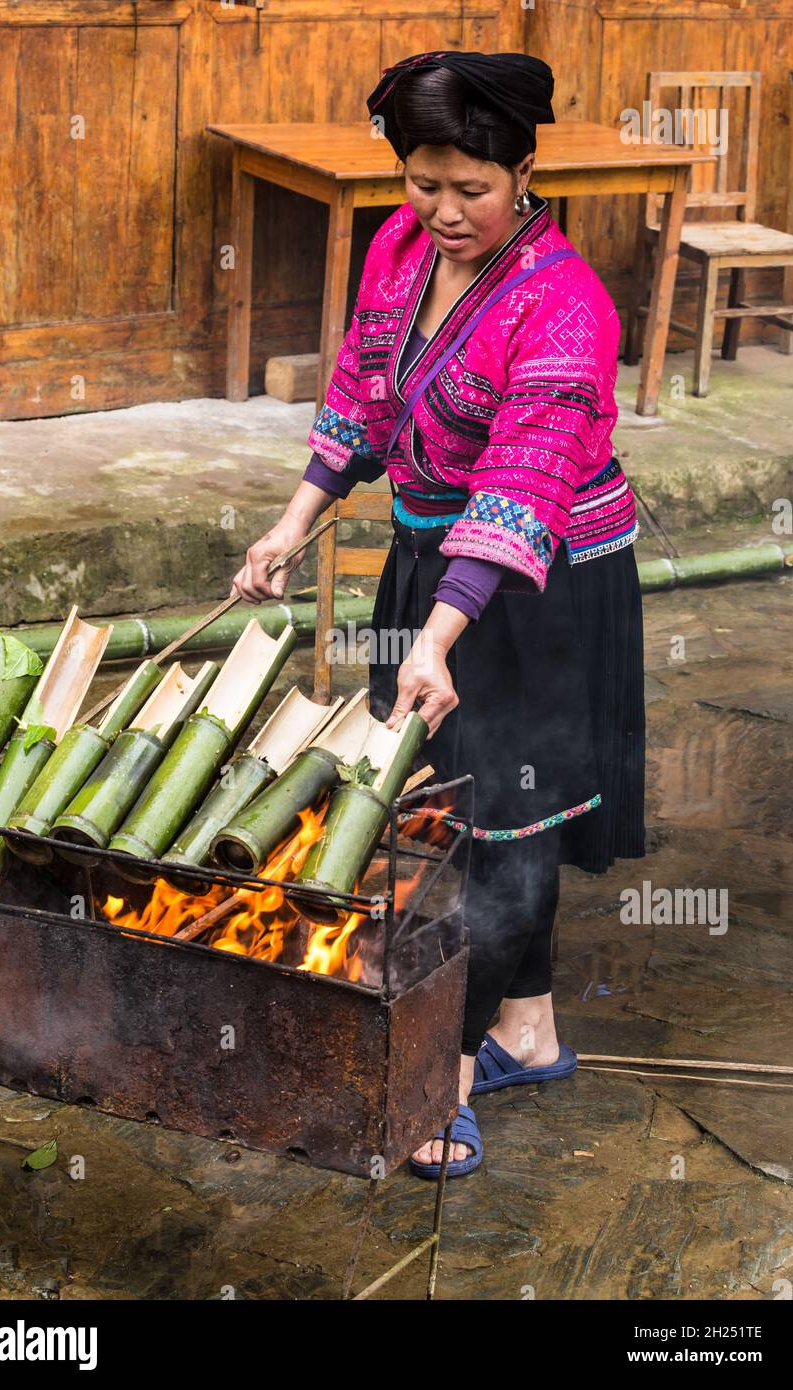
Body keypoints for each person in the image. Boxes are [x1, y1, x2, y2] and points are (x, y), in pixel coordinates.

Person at [231, 50, 645, 1179]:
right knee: (449, 807)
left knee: (489, 821)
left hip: (535, 582)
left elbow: (519, 484)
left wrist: (437, 635)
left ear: (524, 171)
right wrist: (287, 523)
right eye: (423, 182)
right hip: (432, 563)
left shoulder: (565, 304)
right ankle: (529, 1032)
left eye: (471, 186)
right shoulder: (400, 250)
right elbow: (361, 397)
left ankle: (445, 1083)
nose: (444, 210)